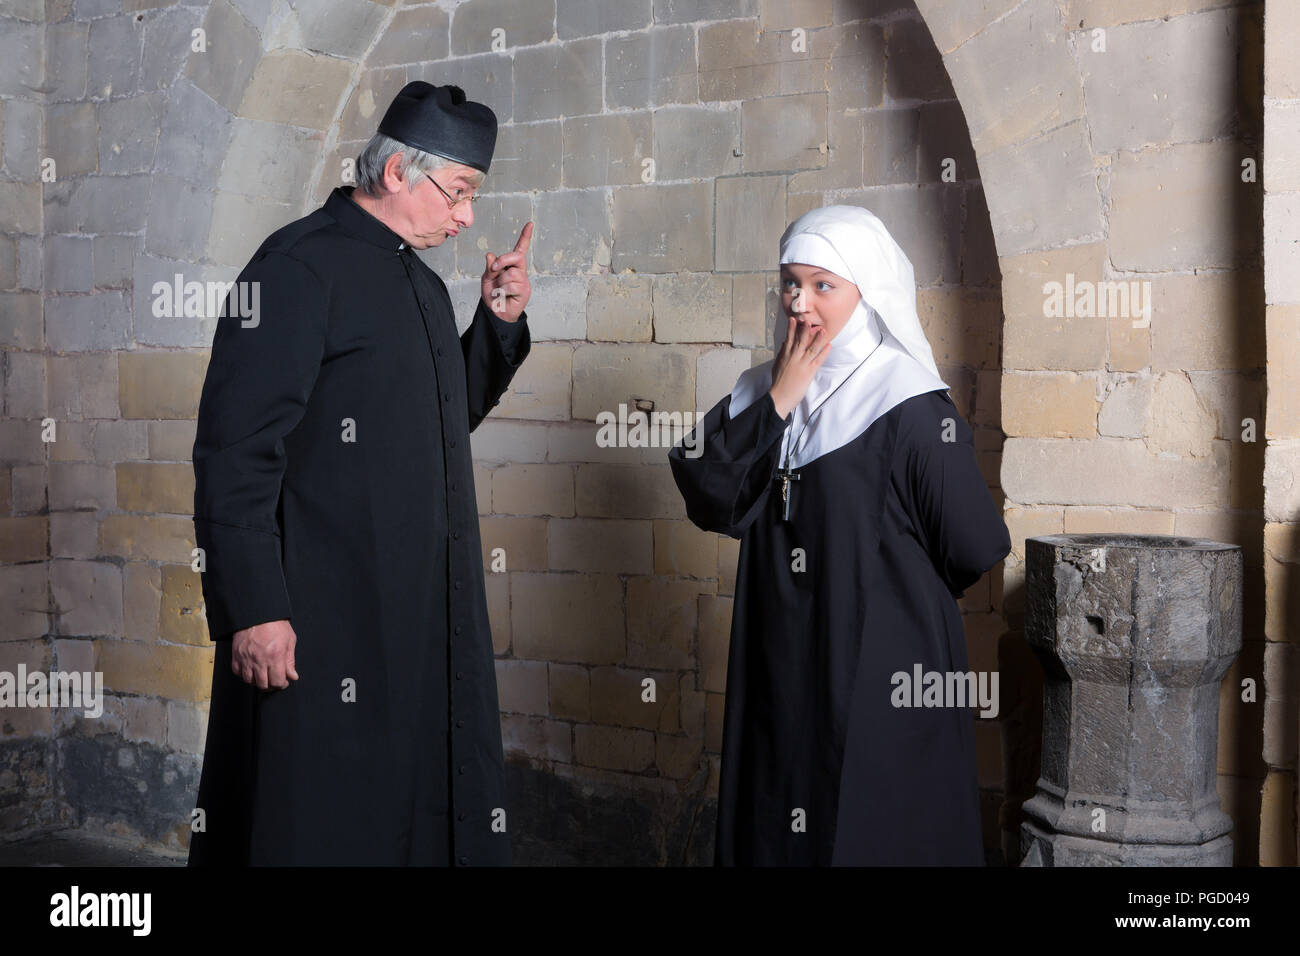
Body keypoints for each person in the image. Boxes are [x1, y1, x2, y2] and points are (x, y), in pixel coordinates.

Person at [188, 82, 533, 866]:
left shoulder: (416, 277)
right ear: (395, 174)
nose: (467, 216)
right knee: (317, 817)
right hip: (321, 614)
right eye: (459, 192)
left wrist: (497, 325)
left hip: (415, 613)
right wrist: (254, 608)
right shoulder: (293, 269)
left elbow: (436, 426)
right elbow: (234, 451)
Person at [669, 204, 1011, 865]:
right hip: (781, 663)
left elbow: (974, 545)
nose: (801, 302)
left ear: (868, 293)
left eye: (824, 285)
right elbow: (708, 494)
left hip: (881, 665)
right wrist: (778, 401)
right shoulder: (757, 391)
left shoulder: (910, 403)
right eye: (791, 283)